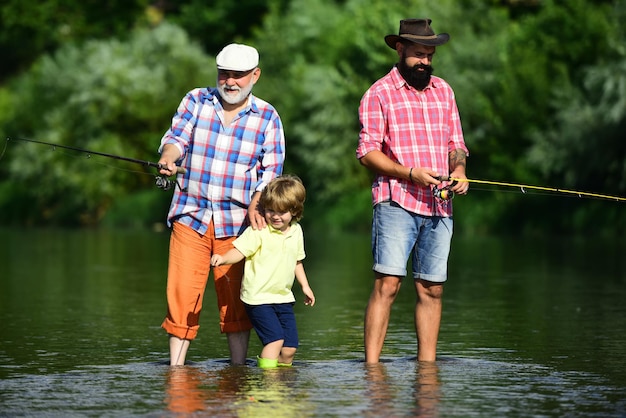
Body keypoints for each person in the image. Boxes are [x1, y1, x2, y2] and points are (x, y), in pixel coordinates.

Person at [158, 43, 285, 366]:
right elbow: (176, 139)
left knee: (236, 303)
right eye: (224, 74)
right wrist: (168, 158)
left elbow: (272, 170)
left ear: (255, 75)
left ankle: (238, 369)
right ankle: (176, 370)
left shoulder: (267, 116)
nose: (230, 82)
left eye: (238, 76)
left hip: (240, 224)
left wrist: (258, 199)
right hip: (191, 215)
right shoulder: (196, 100)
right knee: (182, 294)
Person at [356, 18, 470, 363]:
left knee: (432, 288)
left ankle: (427, 368)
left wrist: (460, 170)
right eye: (419, 54)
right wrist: (409, 173)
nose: (426, 62)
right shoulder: (378, 93)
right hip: (395, 202)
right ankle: (372, 368)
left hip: (439, 207)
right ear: (400, 49)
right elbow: (367, 152)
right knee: (387, 285)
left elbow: (457, 144)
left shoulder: (444, 91)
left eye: (430, 55)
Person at [211, 175, 315, 368]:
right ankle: (267, 382)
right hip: (258, 298)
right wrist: (223, 258)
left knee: (290, 347)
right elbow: (239, 251)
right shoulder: (258, 231)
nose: (275, 216)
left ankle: (281, 381)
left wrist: (305, 287)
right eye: (270, 210)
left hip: (283, 297)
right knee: (275, 341)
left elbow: (297, 261)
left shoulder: (296, 232)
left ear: (294, 211)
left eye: (282, 212)